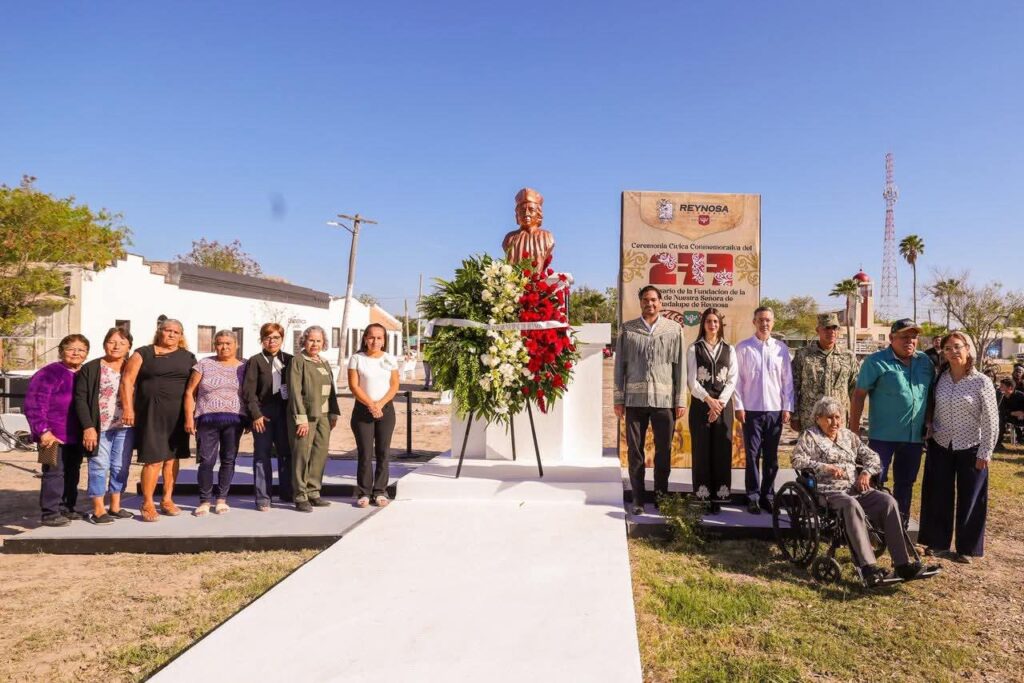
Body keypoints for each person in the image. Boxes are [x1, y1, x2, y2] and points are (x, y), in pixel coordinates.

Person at [792, 397, 935, 586]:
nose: (835, 422)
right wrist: (825, 467)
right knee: (851, 505)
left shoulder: (848, 436)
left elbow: (873, 457)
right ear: (818, 418)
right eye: (829, 418)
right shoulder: (810, 436)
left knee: (888, 502)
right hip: (828, 491)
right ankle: (868, 568)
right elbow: (797, 460)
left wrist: (866, 473)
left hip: (855, 487)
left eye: (838, 417)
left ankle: (902, 564)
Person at [919, 331, 999, 563]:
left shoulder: (981, 381)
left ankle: (967, 548)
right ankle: (937, 543)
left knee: (971, 497)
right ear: (943, 353)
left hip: (972, 446)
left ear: (967, 349)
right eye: (948, 348)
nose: (953, 351)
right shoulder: (939, 379)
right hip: (941, 444)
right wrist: (929, 425)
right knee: (938, 494)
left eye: (957, 346)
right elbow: (931, 407)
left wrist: (986, 451)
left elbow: (991, 420)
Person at [849, 319, 934, 523]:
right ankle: (871, 525)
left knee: (906, 483)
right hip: (882, 436)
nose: (910, 341)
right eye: (904, 336)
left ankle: (899, 524)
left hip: (913, 437)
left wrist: (929, 420)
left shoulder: (925, 362)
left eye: (914, 337)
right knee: (874, 479)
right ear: (891, 338)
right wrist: (853, 429)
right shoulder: (876, 361)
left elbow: (930, 395)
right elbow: (859, 395)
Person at [613, 285, 686, 516]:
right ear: (640, 303)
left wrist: (680, 400)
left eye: (654, 300)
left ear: (660, 302)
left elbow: (680, 367)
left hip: (664, 402)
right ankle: (638, 499)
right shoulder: (628, 329)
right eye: (645, 300)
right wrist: (618, 398)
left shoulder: (674, 329)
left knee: (664, 451)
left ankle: (662, 497)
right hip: (634, 401)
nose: (650, 303)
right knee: (635, 452)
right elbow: (619, 366)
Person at [121, 318, 196, 522]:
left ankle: (167, 499)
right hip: (150, 414)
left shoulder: (188, 357)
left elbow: (194, 388)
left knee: (172, 458)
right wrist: (128, 408)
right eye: (167, 330)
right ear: (159, 331)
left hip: (177, 415)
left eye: (176, 332)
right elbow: (127, 380)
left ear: (181, 336)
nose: (171, 334)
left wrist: (192, 415)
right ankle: (147, 502)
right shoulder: (143, 353)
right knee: (153, 459)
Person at [734, 306, 794, 515]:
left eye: (768, 320)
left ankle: (767, 495)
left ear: (773, 322)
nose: (764, 323)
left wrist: (787, 407)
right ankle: (752, 496)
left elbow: (787, 381)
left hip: (775, 411)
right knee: (752, 455)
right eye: (760, 320)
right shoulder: (743, 348)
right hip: (751, 410)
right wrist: (739, 406)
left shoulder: (781, 349)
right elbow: (737, 381)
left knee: (771, 457)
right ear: (754, 322)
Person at [25, 334, 89, 526]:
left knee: (72, 472)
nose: (76, 353)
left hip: (76, 435)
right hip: (51, 435)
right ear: (61, 351)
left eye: (81, 350)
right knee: (53, 473)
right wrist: (43, 431)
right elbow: (34, 404)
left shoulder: (84, 374)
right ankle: (50, 512)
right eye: (71, 349)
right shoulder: (48, 373)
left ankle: (67, 507)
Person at [74, 327, 135, 524]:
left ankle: (115, 506)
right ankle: (98, 509)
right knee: (99, 465)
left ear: (129, 347)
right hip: (99, 427)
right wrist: (88, 427)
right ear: (104, 344)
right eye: (111, 342)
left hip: (126, 427)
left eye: (122, 343)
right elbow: (80, 399)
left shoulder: (132, 367)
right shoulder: (91, 368)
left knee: (120, 466)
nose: (116, 346)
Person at [184, 330, 246, 516]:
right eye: (220, 343)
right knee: (206, 460)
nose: (224, 347)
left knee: (228, 459)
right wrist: (189, 418)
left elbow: (250, 393)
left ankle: (221, 499)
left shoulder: (244, 366)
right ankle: (204, 500)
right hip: (207, 419)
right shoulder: (203, 364)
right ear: (214, 345)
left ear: (236, 345)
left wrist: (251, 418)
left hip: (234, 420)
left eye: (228, 343)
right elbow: (190, 392)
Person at [686, 307, 738, 514]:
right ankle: (702, 496)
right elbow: (691, 381)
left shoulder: (729, 349)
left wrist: (720, 403)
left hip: (723, 408)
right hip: (701, 406)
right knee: (701, 451)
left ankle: (719, 497)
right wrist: (709, 400)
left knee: (722, 451)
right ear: (703, 324)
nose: (712, 325)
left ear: (720, 324)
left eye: (715, 321)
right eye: (708, 321)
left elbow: (732, 379)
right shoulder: (694, 349)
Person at [288, 325, 340, 512]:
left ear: (323, 343)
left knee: (319, 454)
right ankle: (300, 496)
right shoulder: (298, 361)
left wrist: (333, 412)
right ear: (304, 341)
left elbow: (331, 390)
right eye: (311, 340)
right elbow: (294, 391)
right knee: (302, 455)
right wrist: (300, 418)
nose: (315, 344)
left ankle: (313, 492)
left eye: (318, 341)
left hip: (324, 416)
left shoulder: (324, 362)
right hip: (306, 416)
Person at [242, 322, 294, 510]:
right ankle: (263, 497)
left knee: (286, 453)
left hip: (285, 413)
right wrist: (256, 414)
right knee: (262, 455)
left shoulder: (290, 360)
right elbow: (249, 392)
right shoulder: (255, 361)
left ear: (282, 338)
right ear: (262, 339)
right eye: (267, 337)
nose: (272, 341)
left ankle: (288, 492)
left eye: (276, 337)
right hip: (263, 414)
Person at [348, 323, 401, 507]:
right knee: (365, 452)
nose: (375, 341)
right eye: (371, 337)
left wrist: (380, 404)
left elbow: (394, 385)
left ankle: (379, 491)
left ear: (384, 340)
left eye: (379, 338)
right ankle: (364, 492)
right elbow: (354, 386)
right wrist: (371, 404)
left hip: (385, 410)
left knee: (383, 452)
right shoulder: (356, 358)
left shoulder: (390, 359)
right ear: (365, 338)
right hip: (363, 411)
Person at [790, 313, 859, 434]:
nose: (831, 331)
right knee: (810, 446)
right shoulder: (803, 355)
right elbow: (793, 386)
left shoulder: (848, 356)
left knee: (838, 446)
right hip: (810, 418)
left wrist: (855, 419)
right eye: (827, 328)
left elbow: (855, 390)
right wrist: (794, 416)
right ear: (818, 330)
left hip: (838, 420)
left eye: (834, 328)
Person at [501, 187, 555, 267]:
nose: (526, 214)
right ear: (517, 214)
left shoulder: (547, 237)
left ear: (538, 213)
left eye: (531, 210)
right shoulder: (509, 238)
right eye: (522, 210)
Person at [995, 378, 1024, 451]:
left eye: (1002, 386)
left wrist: (1022, 413)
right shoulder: (999, 396)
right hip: (1006, 416)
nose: (1000, 388)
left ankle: (1021, 439)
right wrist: (1012, 413)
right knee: (1000, 420)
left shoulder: (1020, 396)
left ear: (1010, 388)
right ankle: (997, 443)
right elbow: (999, 410)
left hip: (1020, 416)